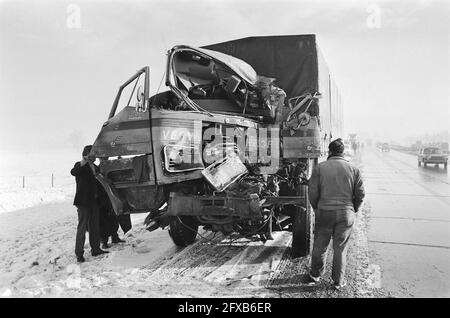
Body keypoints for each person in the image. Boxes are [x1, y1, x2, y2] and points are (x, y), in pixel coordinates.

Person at [305, 138, 365, 290]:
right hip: (346, 214)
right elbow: (360, 194)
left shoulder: (320, 168)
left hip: (325, 212)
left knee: (320, 245)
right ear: (343, 152)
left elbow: (312, 192)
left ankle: (315, 274)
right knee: (340, 248)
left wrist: (317, 208)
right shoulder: (354, 169)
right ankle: (338, 281)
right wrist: (353, 209)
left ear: (330, 152)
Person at [71, 145, 109, 263]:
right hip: (83, 203)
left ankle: (96, 249)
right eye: (92, 154)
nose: (95, 156)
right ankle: (79, 254)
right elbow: (74, 172)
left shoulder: (96, 168)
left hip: (94, 202)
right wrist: (84, 160)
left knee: (94, 227)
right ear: (86, 154)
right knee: (82, 228)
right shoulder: (80, 165)